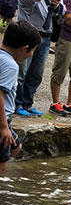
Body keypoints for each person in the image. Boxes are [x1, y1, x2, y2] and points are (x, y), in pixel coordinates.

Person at [15, 0, 66, 117]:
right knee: (21, 71)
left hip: (45, 37)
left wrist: (57, 6)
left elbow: (62, 12)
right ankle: (16, 105)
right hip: (27, 35)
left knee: (36, 73)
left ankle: (28, 104)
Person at [0, 21, 41, 172]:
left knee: (16, 147)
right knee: (2, 164)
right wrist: (4, 128)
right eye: (32, 51)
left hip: (5, 120)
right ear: (25, 49)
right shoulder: (11, 66)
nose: (31, 55)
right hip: (2, 120)